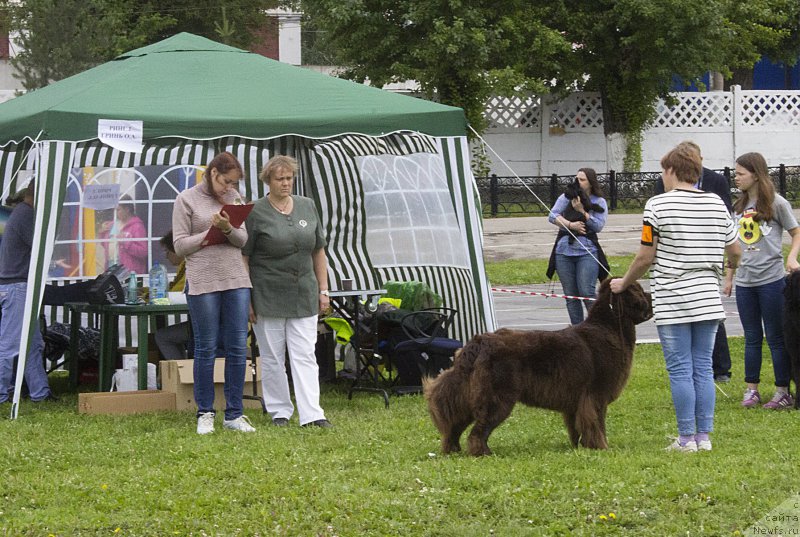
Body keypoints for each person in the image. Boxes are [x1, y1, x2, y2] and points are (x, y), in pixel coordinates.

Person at [611, 144, 740, 452]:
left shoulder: (657, 206)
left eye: (662, 171)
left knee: (680, 368)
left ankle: (685, 438)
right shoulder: (716, 203)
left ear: (671, 171)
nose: (661, 176)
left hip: (674, 298)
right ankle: (704, 437)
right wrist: (728, 271)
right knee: (703, 368)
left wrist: (623, 283)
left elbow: (645, 256)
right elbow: (735, 250)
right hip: (708, 298)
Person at [243, 155, 332, 428]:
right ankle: (280, 411)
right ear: (267, 181)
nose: (285, 183)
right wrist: (247, 297)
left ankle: (313, 414)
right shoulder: (255, 212)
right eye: (279, 179)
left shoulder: (307, 206)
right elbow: (244, 256)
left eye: (289, 178)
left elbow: (318, 250)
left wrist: (324, 289)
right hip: (267, 292)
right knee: (272, 356)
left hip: (304, 291)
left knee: (305, 353)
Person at [173, 152, 255, 434]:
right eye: (226, 182)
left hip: (236, 279)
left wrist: (228, 228)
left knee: (236, 348)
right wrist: (210, 232)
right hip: (203, 281)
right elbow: (180, 246)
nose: (229, 189)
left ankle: (234, 413)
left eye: (234, 184)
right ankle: (205, 412)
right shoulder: (186, 199)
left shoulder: (235, 199)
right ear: (212, 174)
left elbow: (243, 240)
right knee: (206, 348)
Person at [654, 141, 735, 383]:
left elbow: (729, 234)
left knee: (699, 361)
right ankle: (699, 419)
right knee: (691, 367)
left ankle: (721, 369)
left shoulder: (716, 186)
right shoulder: (661, 193)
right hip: (679, 266)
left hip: (702, 268)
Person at [725, 152, 800, 410]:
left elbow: (796, 232)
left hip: (771, 281)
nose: (736, 178)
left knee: (777, 337)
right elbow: (734, 246)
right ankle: (752, 390)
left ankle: (782, 391)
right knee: (752, 337)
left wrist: (792, 257)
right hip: (745, 283)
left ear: (755, 175)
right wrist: (730, 276)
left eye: (740, 173)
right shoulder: (738, 207)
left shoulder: (777, 204)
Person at [0, 182, 55, 403]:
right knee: (10, 345)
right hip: (18, 286)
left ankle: (40, 393)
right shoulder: (26, 215)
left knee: (33, 344)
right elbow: (42, 246)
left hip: (16, 285)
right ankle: (2, 395)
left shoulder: (20, 213)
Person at [546, 168, 609, 325]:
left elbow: (598, 226)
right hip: (563, 251)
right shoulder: (566, 197)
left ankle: (599, 327)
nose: (578, 182)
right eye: (577, 179)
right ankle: (577, 330)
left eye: (582, 180)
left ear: (590, 183)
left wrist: (582, 211)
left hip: (587, 251)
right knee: (571, 295)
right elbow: (552, 215)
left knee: (586, 291)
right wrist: (570, 225)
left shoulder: (599, 201)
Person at [154, 230, 190, 360]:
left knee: (162, 336)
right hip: (210, 322)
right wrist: (147, 291)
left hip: (210, 325)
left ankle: (179, 374)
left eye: (167, 252)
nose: (166, 257)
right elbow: (172, 287)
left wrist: (149, 296)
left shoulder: (189, 265)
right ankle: (181, 369)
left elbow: (177, 291)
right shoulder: (184, 265)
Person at [115, 196, 148, 274]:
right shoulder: (115, 224)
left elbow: (143, 252)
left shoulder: (137, 226)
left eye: (118, 210)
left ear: (127, 209)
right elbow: (107, 245)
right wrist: (103, 233)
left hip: (132, 273)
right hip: (116, 270)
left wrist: (126, 242)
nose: (116, 213)